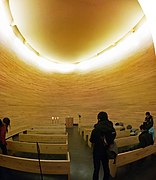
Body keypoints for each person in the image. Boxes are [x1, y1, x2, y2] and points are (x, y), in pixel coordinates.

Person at [90, 112, 116, 180]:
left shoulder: (96, 129)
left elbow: (92, 140)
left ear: (99, 119)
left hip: (97, 150)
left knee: (96, 169)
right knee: (106, 167)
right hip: (106, 150)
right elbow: (113, 138)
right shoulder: (111, 128)